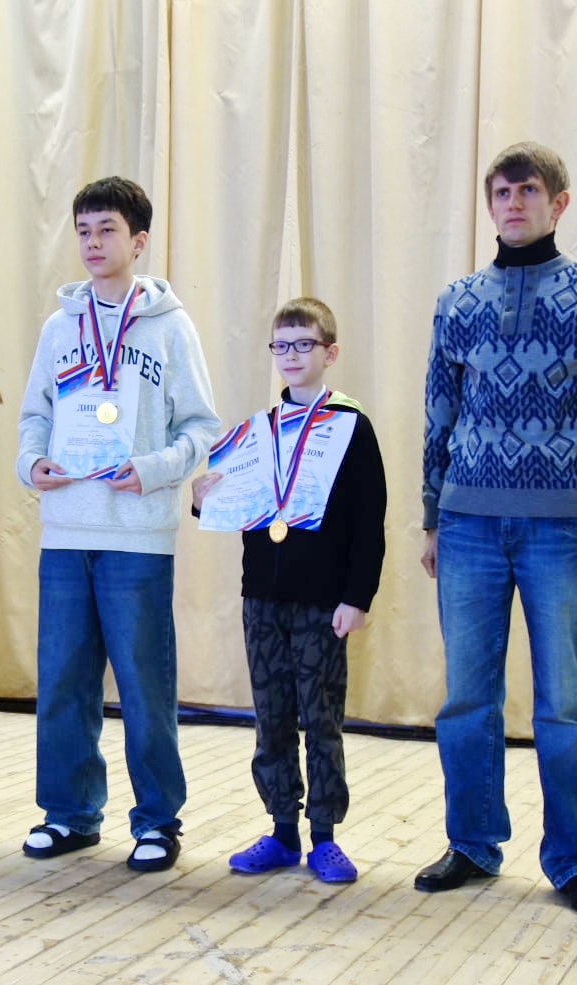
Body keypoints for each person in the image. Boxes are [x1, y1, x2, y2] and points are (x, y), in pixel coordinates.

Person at [417, 143, 577, 919]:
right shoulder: (457, 301)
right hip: (467, 526)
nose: (513, 203)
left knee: (565, 703)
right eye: (502, 192)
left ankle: (574, 859)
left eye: (528, 190)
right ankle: (473, 843)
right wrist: (430, 514)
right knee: (466, 699)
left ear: (559, 202)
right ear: (489, 204)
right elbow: (439, 413)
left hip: (564, 529)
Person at [16, 176, 220, 872]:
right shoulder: (58, 327)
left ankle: (158, 820)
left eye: (106, 229)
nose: (92, 243)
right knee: (63, 682)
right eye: (83, 230)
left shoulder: (170, 326)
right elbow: (34, 415)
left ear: (138, 241)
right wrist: (31, 462)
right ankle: (68, 814)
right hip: (66, 530)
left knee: (143, 684)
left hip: (137, 533)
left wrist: (154, 468)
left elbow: (201, 425)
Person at [192, 297, 386, 883]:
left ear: (330, 352)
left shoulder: (351, 427)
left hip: (324, 600)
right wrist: (203, 500)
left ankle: (325, 836)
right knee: (271, 717)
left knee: (321, 718)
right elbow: (237, 504)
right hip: (262, 596)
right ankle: (281, 831)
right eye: (281, 345)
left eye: (304, 344)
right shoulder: (258, 431)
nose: (291, 355)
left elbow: (369, 520)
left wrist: (357, 597)